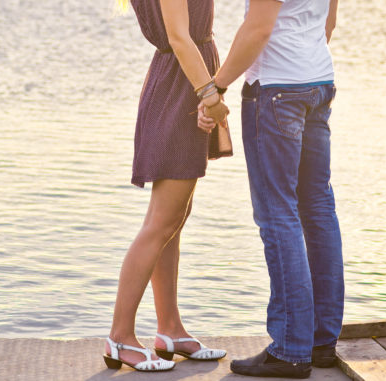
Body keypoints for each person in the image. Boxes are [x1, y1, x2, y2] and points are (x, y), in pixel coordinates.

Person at [198, 0, 343, 378]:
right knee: (317, 208)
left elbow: (258, 29)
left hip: (277, 89)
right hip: (318, 82)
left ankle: (291, 350)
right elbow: (328, 22)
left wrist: (215, 87)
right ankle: (319, 342)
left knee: (278, 214)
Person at [103, 0, 230, 372]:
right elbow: (179, 36)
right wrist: (209, 94)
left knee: (173, 220)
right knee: (161, 223)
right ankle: (120, 336)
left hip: (184, 80)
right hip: (182, 87)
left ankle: (170, 330)